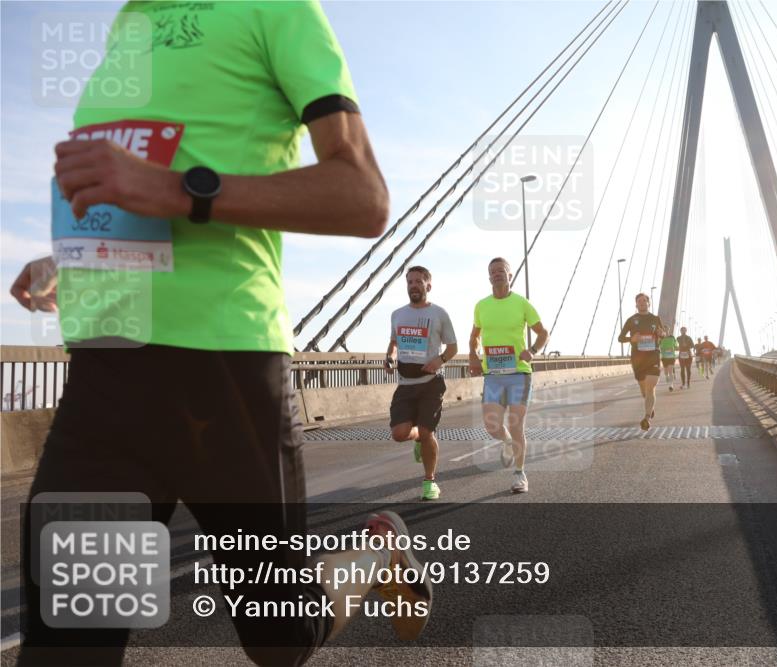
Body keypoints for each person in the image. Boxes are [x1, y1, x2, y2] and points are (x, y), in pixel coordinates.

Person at [9, 3, 431, 664]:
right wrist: (69, 263)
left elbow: (362, 195)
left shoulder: (276, 8)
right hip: (104, 382)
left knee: (280, 638)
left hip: (225, 373)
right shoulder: (130, 22)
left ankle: (378, 549)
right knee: (65, 649)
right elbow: (133, 196)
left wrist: (179, 190)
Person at [468, 258, 548, 494]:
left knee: (516, 424)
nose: (497, 275)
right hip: (493, 374)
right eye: (493, 272)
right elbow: (474, 336)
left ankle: (520, 474)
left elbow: (543, 333)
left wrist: (532, 351)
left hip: (519, 374)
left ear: (510, 275)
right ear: (488, 277)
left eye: (501, 271)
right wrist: (473, 354)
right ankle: (506, 443)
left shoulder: (522, 303)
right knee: (492, 425)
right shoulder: (481, 305)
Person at [384, 266, 457, 501]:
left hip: (430, 383)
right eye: (410, 282)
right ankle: (418, 438)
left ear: (428, 286)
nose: (413, 285)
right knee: (398, 433)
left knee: (427, 432)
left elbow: (453, 347)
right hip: (405, 384)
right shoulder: (397, 314)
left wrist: (440, 360)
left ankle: (430, 481)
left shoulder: (439, 314)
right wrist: (390, 358)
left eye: (418, 281)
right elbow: (394, 343)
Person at [618, 293, 665, 430]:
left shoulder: (655, 319)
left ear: (649, 303)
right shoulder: (631, 320)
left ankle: (646, 417)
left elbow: (662, 335)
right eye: (639, 301)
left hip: (653, 356)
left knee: (650, 388)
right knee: (644, 391)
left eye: (645, 300)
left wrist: (661, 334)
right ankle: (650, 408)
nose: (642, 303)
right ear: (636, 304)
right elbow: (620, 338)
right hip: (638, 359)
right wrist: (631, 339)